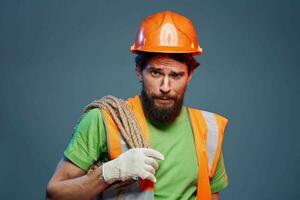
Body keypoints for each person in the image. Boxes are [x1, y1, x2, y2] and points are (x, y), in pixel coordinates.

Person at [47, 10, 229, 200]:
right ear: (139, 71)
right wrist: (108, 173)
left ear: (189, 75)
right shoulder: (106, 120)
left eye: (175, 75)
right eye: (156, 73)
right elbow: (54, 193)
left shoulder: (208, 129)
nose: (165, 87)